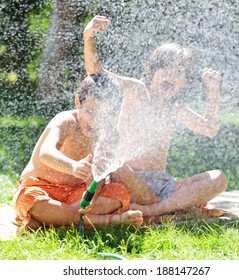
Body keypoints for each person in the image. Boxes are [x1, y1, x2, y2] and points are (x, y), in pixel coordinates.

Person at [82, 16, 227, 219]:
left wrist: (213, 92)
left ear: (184, 82)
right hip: (130, 179)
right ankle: (172, 208)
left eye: (180, 72)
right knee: (118, 167)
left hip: (163, 184)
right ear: (152, 70)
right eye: (166, 68)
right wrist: (88, 37)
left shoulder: (175, 108)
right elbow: (97, 73)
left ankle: (155, 209)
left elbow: (210, 129)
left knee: (218, 178)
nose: (172, 75)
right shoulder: (137, 90)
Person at [13, 74, 143, 233]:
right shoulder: (66, 122)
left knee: (119, 193)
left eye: (104, 116)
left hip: (75, 196)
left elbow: (99, 175)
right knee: (30, 199)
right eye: (90, 111)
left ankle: (48, 223)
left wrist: (91, 198)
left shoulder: (109, 136)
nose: (95, 121)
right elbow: (45, 153)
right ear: (77, 102)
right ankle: (108, 221)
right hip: (42, 189)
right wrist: (73, 167)